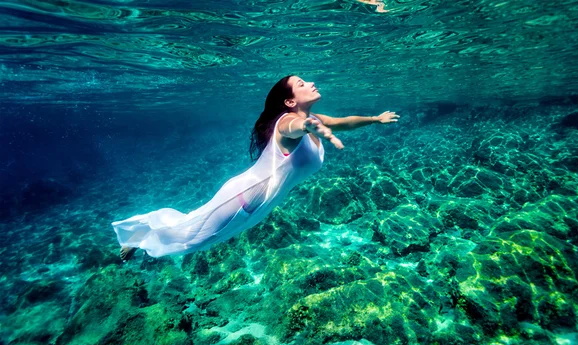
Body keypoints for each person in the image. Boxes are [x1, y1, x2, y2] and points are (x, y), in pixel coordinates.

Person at [113, 75, 399, 261]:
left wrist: (375, 119)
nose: (310, 83)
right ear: (289, 101)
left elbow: (344, 122)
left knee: (193, 234)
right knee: (188, 239)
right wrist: (307, 125)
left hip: (260, 207)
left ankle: (140, 237)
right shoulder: (287, 123)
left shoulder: (317, 118)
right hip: (241, 199)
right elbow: (294, 127)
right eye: (301, 84)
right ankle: (136, 237)